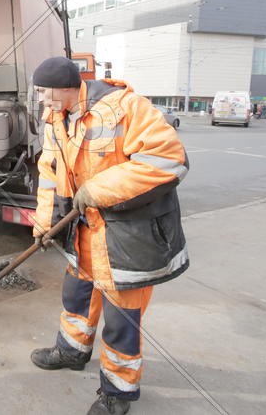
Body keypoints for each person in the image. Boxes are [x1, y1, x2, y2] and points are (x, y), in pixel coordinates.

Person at [28, 56, 190, 415]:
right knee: (77, 297)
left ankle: (118, 392)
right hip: (84, 233)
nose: (40, 99)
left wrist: (99, 189)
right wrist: (43, 223)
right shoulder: (56, 118)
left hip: (126, 236)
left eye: (43, 92)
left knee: (121, 320)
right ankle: (72, 351)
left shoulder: (127, 107)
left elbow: (168, 159)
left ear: (66, 89)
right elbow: (50, 172)